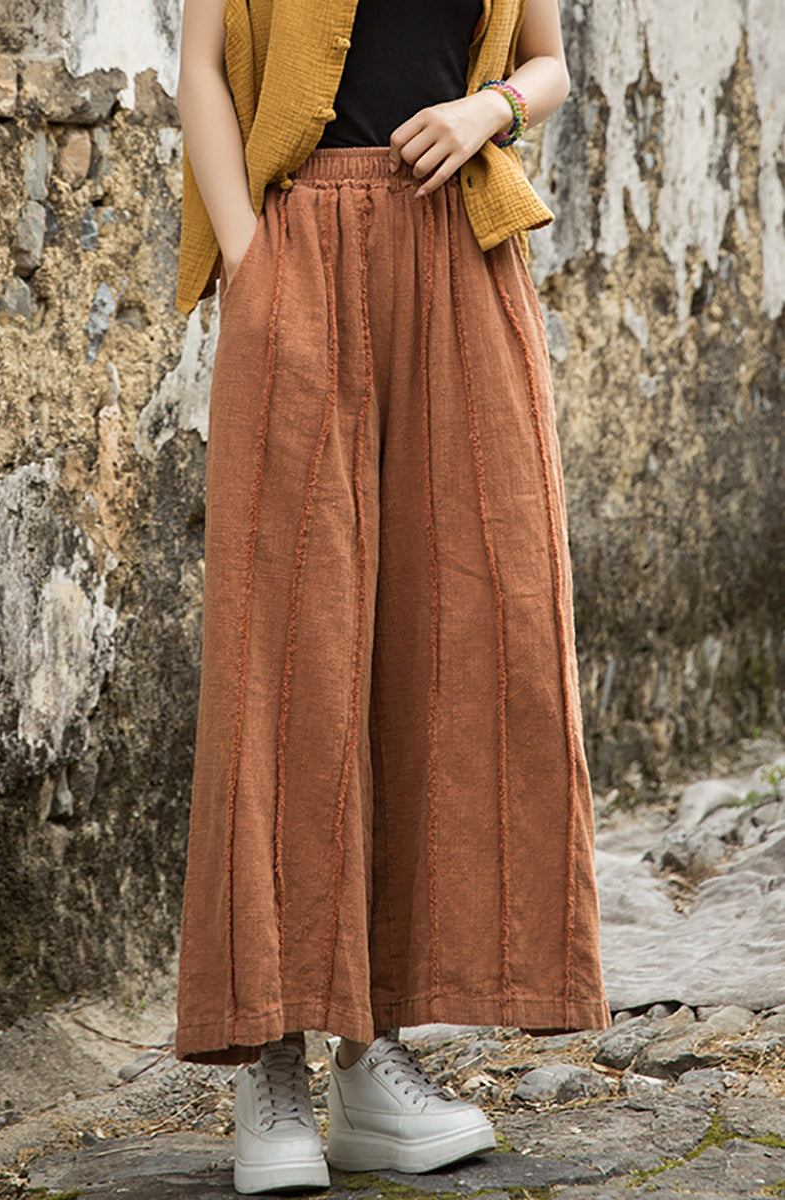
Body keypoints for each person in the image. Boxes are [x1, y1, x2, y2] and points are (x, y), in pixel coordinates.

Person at [173, 0, 611, 1191]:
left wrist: (486, 112)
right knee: (285, 653)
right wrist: (253, 261)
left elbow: (548, 65)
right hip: (298, 245)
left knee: (467, 628)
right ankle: (271, 1061)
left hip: (460, 249)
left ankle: (375, 1059)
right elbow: (200, 69)